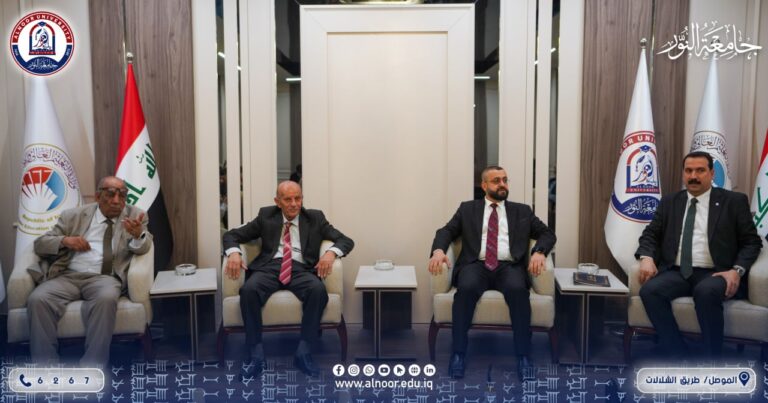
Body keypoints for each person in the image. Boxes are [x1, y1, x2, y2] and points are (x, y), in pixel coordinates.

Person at [428, 166, 556, 380]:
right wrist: (439, 251)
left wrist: (539, 252)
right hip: (475, 265)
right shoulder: (468, 209)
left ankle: (523, 356)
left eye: (505, 180)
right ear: (484, 185)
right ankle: (458, 354)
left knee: (518, 291)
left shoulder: (522, 211)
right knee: (466, 289)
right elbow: (446, 231)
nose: (502, 184)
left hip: (509, 266)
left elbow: (547, 233)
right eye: (496, 181)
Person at [636, 151, 762, 358]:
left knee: (706, 292)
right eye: (688, 171)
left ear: (712, 173)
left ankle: (711, 359)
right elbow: (650, 234)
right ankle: (679, 354)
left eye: (700, 170)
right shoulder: (670, 202)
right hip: (677, 271)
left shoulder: (733, 201)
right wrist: (647, 258)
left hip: (716, 272)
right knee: (650, 291)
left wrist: (736, 270)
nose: (693, 176)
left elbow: (752, 242)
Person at [222, 181, 354, 377]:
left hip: (301, 268)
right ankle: (256, 354)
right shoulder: (266, 216)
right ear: (278, 202)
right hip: (270, 267)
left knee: (317, 291)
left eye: (298, 198)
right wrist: (234, 253)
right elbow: (232, 235)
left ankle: (303, 352)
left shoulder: (315, 218)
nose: (294, 204)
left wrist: (330, 253)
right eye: (288, 199)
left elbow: (346, 240)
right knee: (249, 290)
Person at [28, 176, 152, 366]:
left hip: (105, 277)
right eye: (110, 194)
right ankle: (46, 367)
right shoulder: (73, 216)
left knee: (106, 298)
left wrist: (138, 235)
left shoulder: (135, 215)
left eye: (122, 195)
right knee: (38, 299)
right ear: (97, 196)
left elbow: (145, 247)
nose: (116, 201)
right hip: (68, 275)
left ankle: (93, 366)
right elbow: (40, 244)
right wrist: (65, 241)